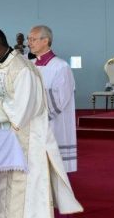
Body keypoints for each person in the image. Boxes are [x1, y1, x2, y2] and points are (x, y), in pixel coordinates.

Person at [0, 28, 82, 218]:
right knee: (2, 192)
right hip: (5, 143)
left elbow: (21, 111)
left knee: (27, 194)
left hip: (28, 142)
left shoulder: (23, 69)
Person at [28, 25, 77, 172]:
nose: (29, 42)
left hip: (53, 123)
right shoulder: (30, 66)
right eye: (28, 39)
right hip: (33, 123)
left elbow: (62, 99)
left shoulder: (60, 67)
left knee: (53, 167)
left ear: (45, 41)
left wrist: (37, 113)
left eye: (33, 39)